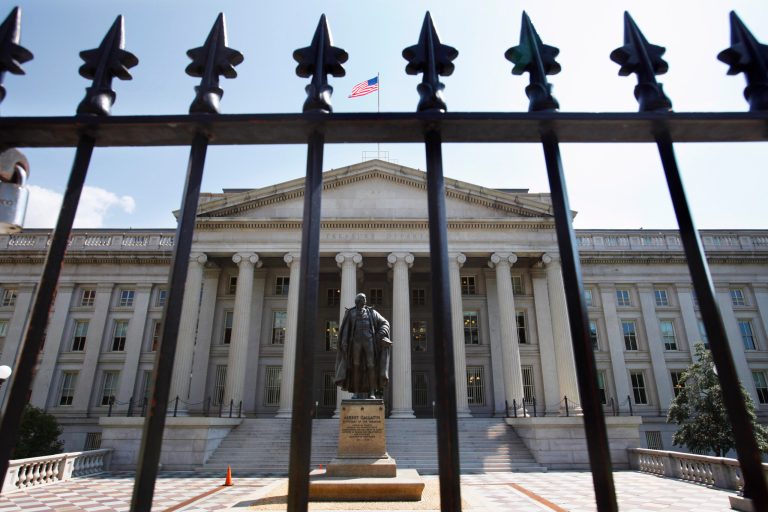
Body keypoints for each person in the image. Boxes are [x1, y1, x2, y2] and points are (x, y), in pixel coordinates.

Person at [335, 292, 391, 399]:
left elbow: (385, 323)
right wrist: (344, 342)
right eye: (363, 299)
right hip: (355, 342)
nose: (365, 300)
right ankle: (355, 392)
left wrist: (380, 334)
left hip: (369, 341)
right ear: (358, 301)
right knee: (355, 366)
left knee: (371, 366)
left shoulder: (371, 312)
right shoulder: (351, 313)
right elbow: (346, 329)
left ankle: (372, 393)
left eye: (365, 299)